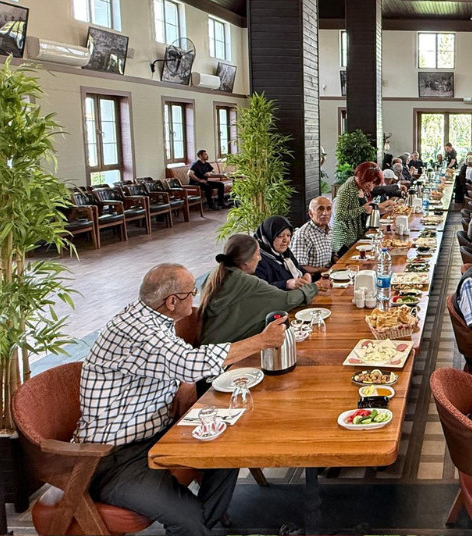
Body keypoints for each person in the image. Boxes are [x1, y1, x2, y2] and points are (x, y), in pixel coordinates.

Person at [75, 263, 285, 536]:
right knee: (189, 521)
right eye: (191, 293)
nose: (195, 297)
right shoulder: (138, 331)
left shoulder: (152, 319)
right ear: (172, 301)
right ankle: (195, 525)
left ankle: (200, 525)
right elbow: (188, 362)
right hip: (111, 457)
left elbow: (172, 360)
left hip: (156, 435)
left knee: (233, 444)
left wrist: (184, 381)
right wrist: (261, 341)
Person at [199, 235, 316, 344]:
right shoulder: (246, 281)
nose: (260, 259)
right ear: (246, 261)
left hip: (210, 347)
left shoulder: (215, 275)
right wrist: (314, 287)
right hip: (226, 355)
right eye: (258, 254)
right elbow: (287, 300)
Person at [254, 216, 331, 292]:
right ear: (268, 237)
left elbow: (298, 268)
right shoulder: (257, 259)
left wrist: (307, 275)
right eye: (280, 236)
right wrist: (286, 284)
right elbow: (260, 290)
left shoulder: (285, 253)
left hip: (298, 295)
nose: (285, 240)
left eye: (288, 235)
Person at [332, 161, 394, 255]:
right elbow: (339, 215)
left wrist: (381, 210)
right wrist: (363, 209)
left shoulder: (358, 187)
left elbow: (364, 209)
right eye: (371, 182)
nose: (371, 186)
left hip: (356, 236)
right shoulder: (346, 190)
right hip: (344, 241)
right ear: (363, 178)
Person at [290, 196, 334, 274]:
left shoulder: (329, 229)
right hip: (312, 279)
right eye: (320, 209)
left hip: (327, 273)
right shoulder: (304, 234)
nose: (325, 213)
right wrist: (323, 270)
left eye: (328, 209)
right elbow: (299, 267)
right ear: (310, 213)